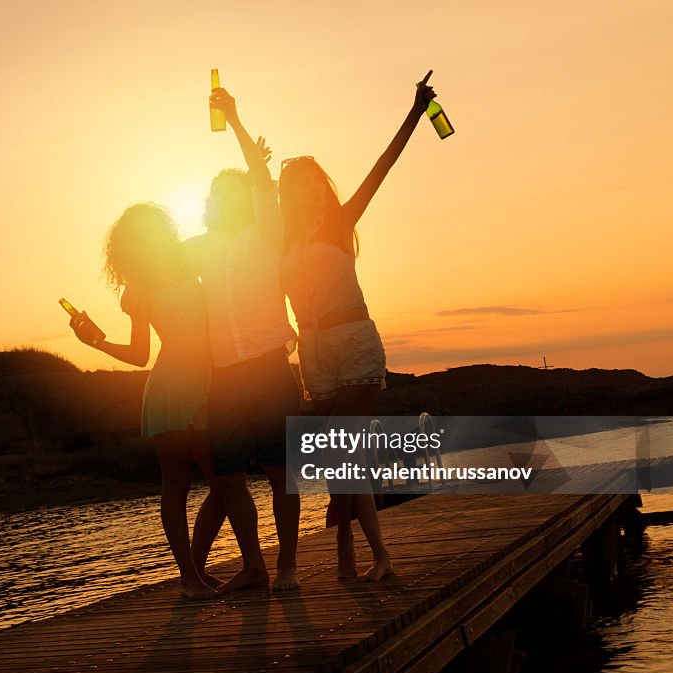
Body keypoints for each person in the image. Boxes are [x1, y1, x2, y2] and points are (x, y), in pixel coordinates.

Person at [276, 75, 438, 580]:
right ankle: (382, 556)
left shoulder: (341, 222)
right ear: (288, 193)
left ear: (322, 186)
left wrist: (415, 112)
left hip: (354, 341)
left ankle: (343, 538)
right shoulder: (278, 240)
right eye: (296, 181)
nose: (307, 187)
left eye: (312, 178)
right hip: (313, 350)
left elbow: (382, 166)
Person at [70, 204, 226, 600]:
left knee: (226, 480)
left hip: (210, 379)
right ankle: (190, 578)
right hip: (171, 386)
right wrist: (96, 342)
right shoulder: (137, 289)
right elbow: (141, 354)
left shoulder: (189, 263)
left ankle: (195, 568)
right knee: (176, 483)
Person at [186, 87, 302, 593]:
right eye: (221, 196)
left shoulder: (266, 232)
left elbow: (262, 180)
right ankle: (254, 565)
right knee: (229, 478)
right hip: (225, 376)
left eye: (238, 195)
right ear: (212, 205)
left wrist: (233, 119)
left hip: (271, 366)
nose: (231, 200)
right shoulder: (200, 248)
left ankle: (287, 570)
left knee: (280, 474)